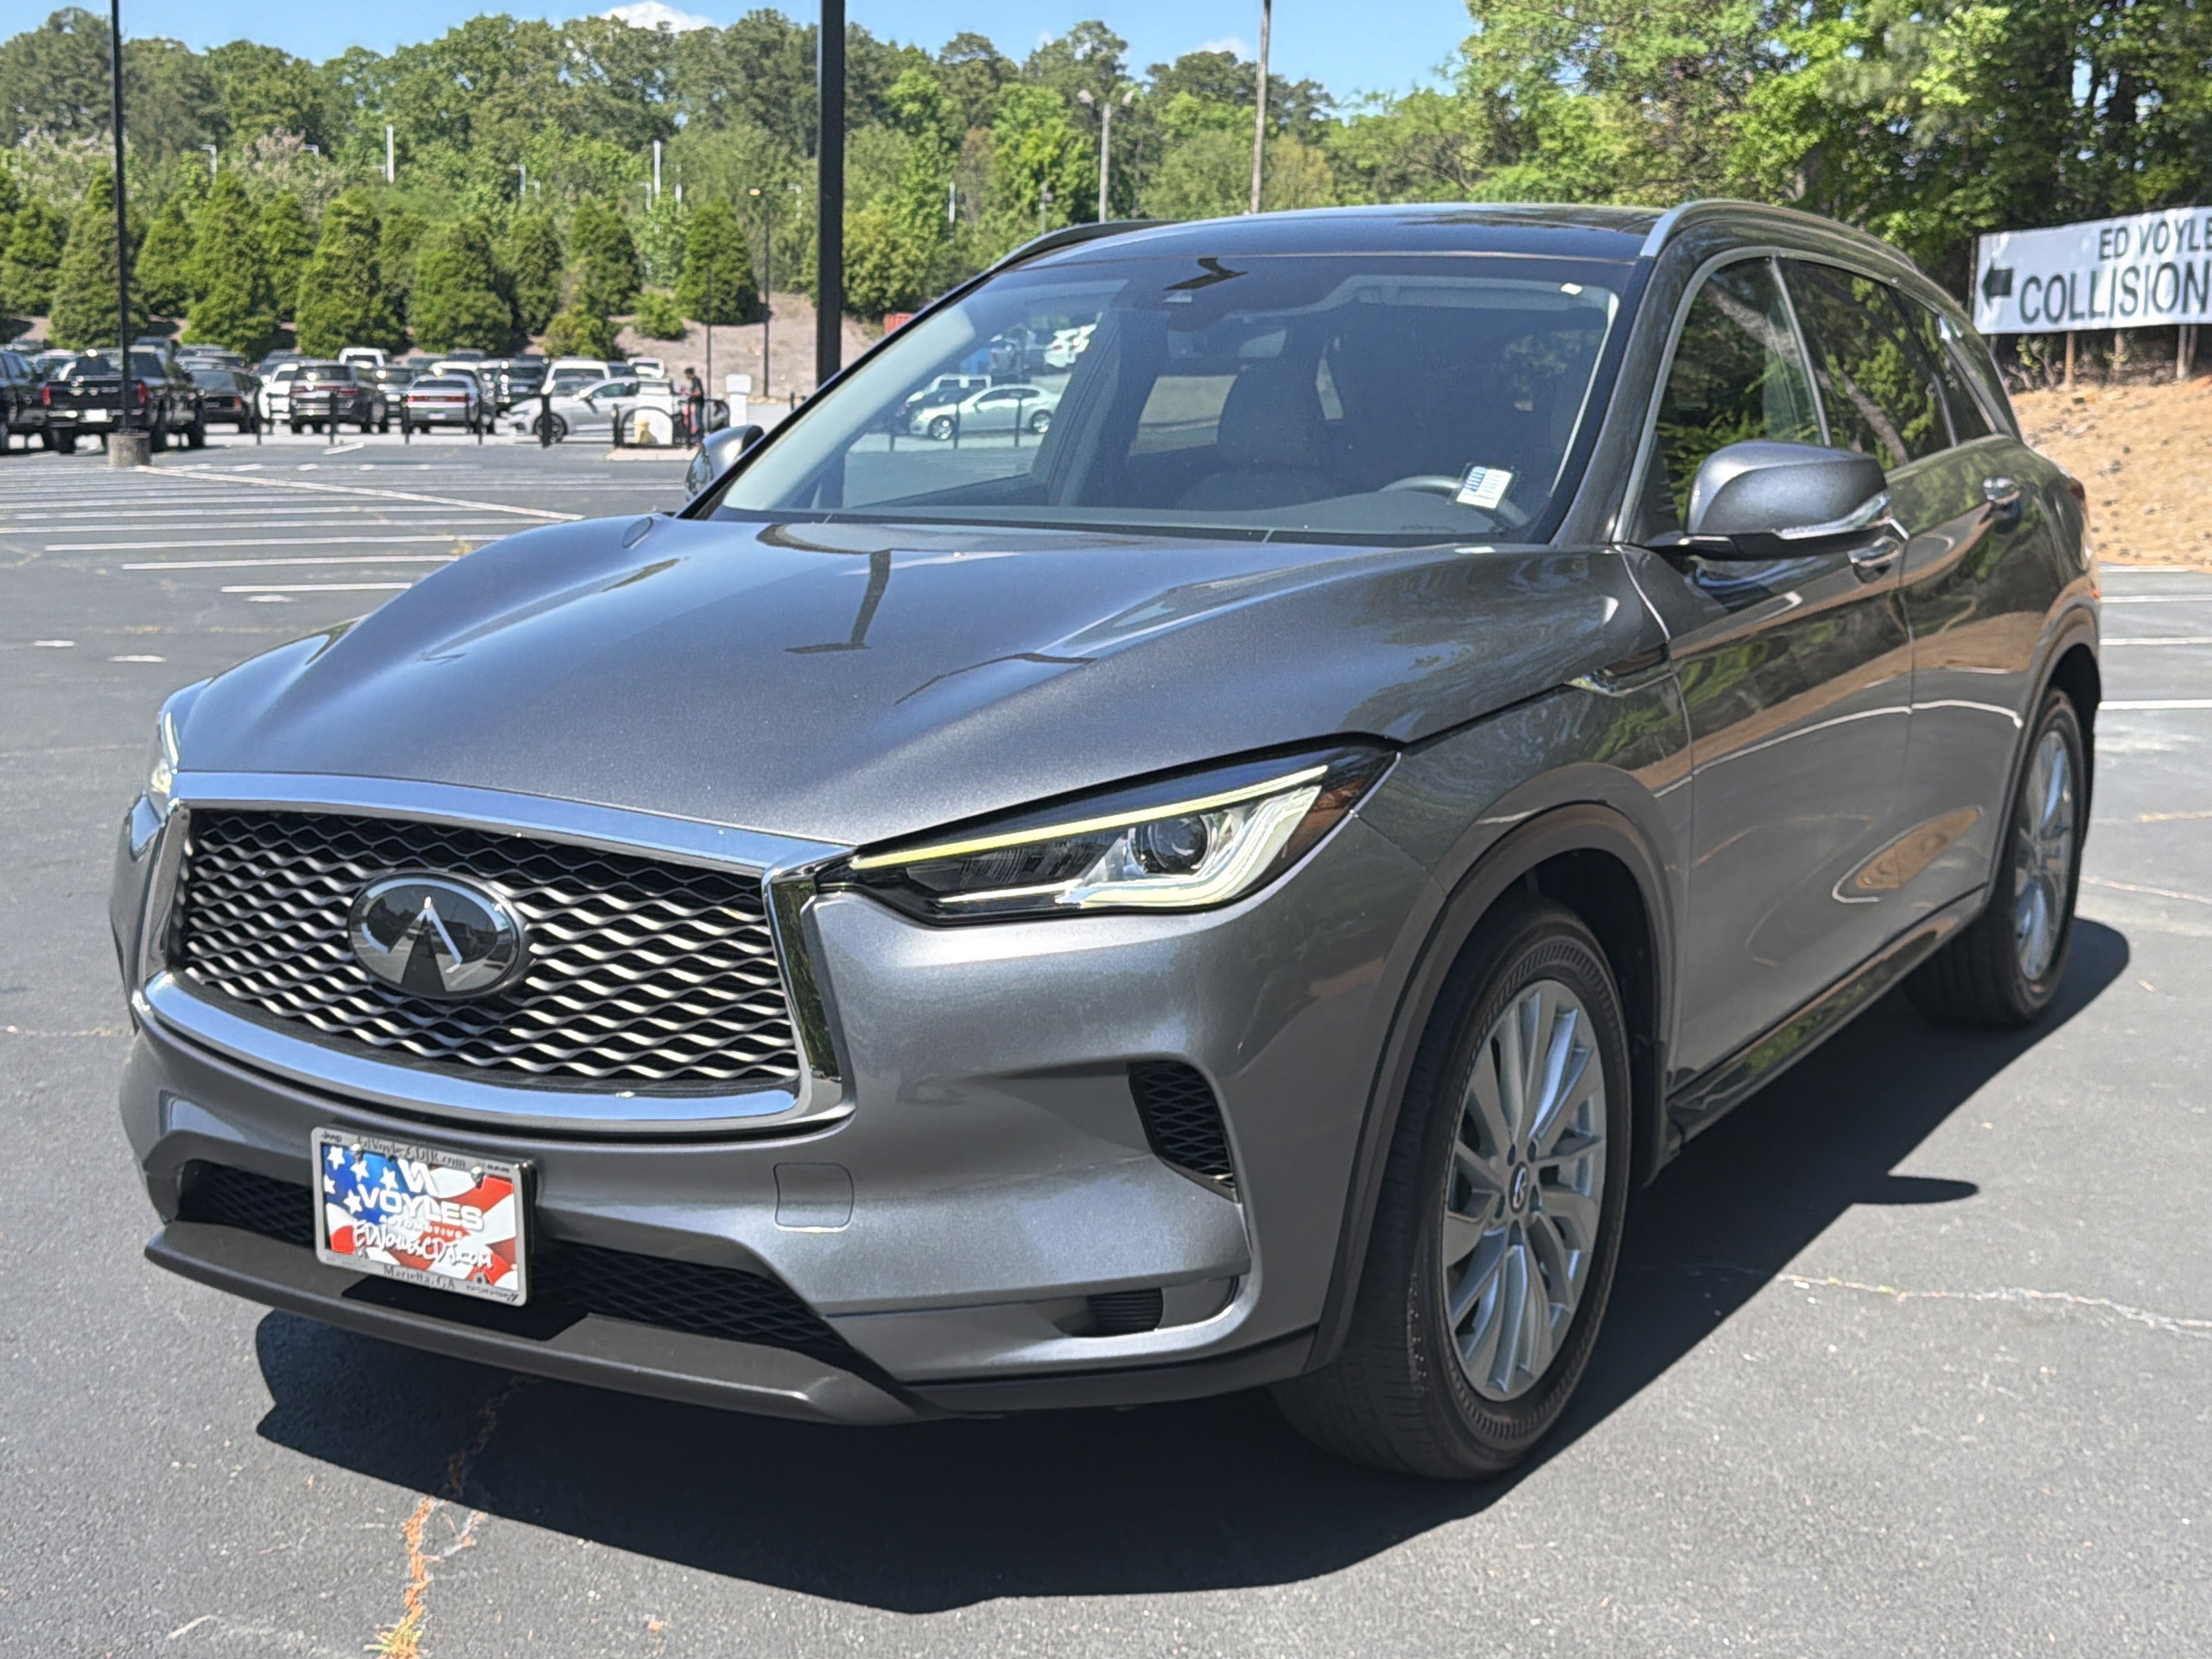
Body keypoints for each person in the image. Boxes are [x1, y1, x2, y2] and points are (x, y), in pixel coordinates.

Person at [684, 367, 704, 444]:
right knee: (696, 421)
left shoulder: (696, 381)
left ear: (689, 374)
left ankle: (700, 440)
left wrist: (689, 394)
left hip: (699, 403)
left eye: (687, 375)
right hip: (697, 403)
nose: (686, 377)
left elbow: (699, 393)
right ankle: (699, 439)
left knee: (698, 422)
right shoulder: (694, 381)